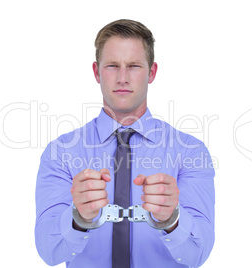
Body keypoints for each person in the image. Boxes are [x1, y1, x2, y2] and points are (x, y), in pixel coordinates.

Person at [35, 19, 215, 267]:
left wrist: (172, 220)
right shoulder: (60, 152)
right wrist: (78, 219)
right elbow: (49, 252)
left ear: (151, 72)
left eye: (133, 66)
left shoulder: (191, 152)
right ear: (96, 72)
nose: (122, 78)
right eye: (112, 66)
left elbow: (198, 254)